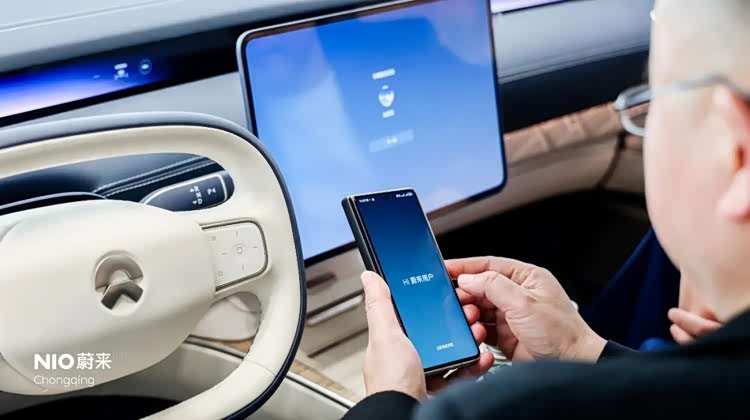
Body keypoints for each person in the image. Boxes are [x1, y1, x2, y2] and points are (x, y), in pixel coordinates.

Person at [342, 1, 750, 418]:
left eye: (652, 102)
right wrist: (582, 349)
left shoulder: (501, 409)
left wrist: (390, 399)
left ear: (736, 148)